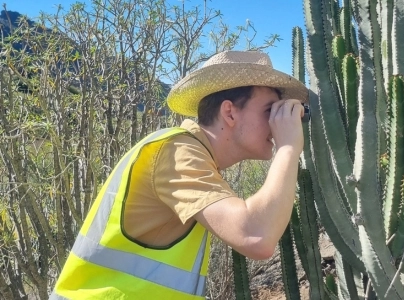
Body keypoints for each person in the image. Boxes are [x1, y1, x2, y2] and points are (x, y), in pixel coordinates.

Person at [50, 50, 308, 299]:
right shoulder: (177, 153)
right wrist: (288, 147)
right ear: (229, 112)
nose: (277, 122)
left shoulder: (197, 157)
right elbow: (256, 236)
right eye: (270, 111)